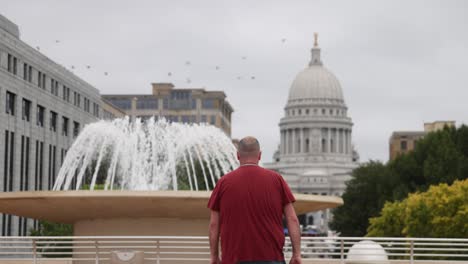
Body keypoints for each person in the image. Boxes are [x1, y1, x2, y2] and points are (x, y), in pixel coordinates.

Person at [208, 136, 302, 264]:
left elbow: (214, 224)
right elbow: (292, 219)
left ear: (237, 155)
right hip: (271, 258)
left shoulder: (223, 183)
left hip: (233, 259)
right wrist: (296, 254)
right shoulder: (276, 180)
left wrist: (214, 256)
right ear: (259, 155)